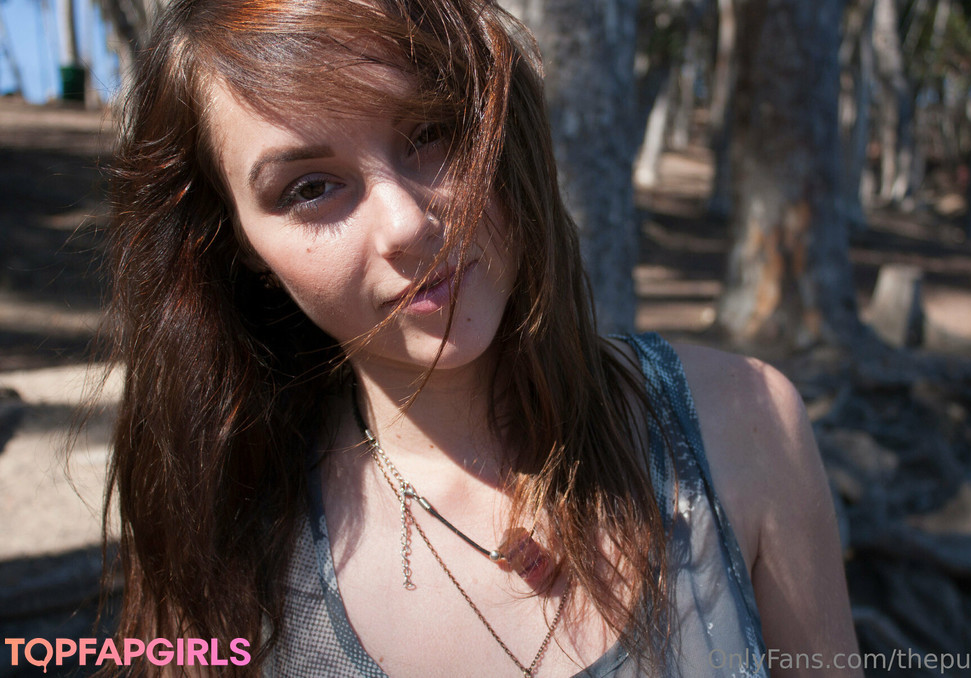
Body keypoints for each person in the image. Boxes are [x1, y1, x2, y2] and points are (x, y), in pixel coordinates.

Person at [104, 0, 862, 675]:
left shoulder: (743, 425)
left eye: (429, 133)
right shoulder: (225, 527)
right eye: (310, 188)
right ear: (239, 246)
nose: (407, 223)